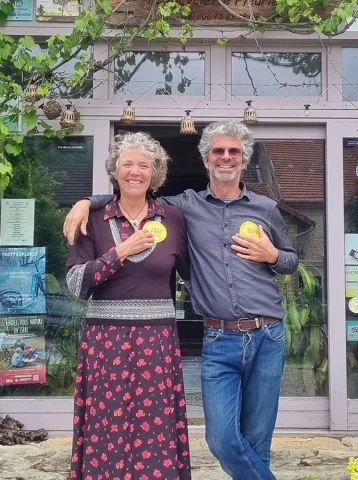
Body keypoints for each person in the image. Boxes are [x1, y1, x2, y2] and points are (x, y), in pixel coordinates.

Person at [64, 121, 299, 480]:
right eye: (218, 151)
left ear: (243, 158)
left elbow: (291, 260)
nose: (225, 157)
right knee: (221, 438)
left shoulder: (262, 208)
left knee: (256, 438)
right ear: (206, 159)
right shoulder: (182, 207)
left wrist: (272, 256)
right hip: (213, 338)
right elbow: (130, 192)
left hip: (266, 334)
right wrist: (87, 201)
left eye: (233, 151)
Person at [65, 131, 191, 480]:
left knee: (156, 430)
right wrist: (121, 251)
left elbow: (196, 274)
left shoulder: (173, 218)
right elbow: (76, 285)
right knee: (108, 431)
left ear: (156, 173)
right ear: (115, 170)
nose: (135, 171)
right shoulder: (92, 217)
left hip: (157, 343)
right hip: (106, 344)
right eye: (127, 164)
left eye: (144, 165)